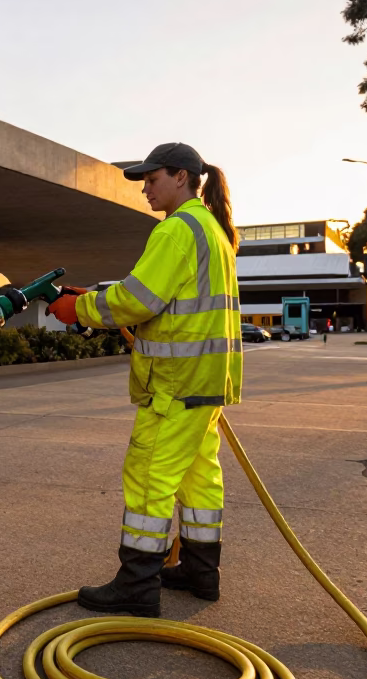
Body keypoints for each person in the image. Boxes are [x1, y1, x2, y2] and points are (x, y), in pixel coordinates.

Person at [47, 142, 242, 618]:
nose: (145, 192)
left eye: (151, 181)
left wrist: (80, 308)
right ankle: (201, 572)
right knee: (199, 479)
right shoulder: (210, 229)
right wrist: (98, 295)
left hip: (176, 383)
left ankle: (136, 585)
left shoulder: (176, 230)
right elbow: (162, 296)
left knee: (149, 476)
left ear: (181, 177)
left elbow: (138, 300)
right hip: (206, 379)